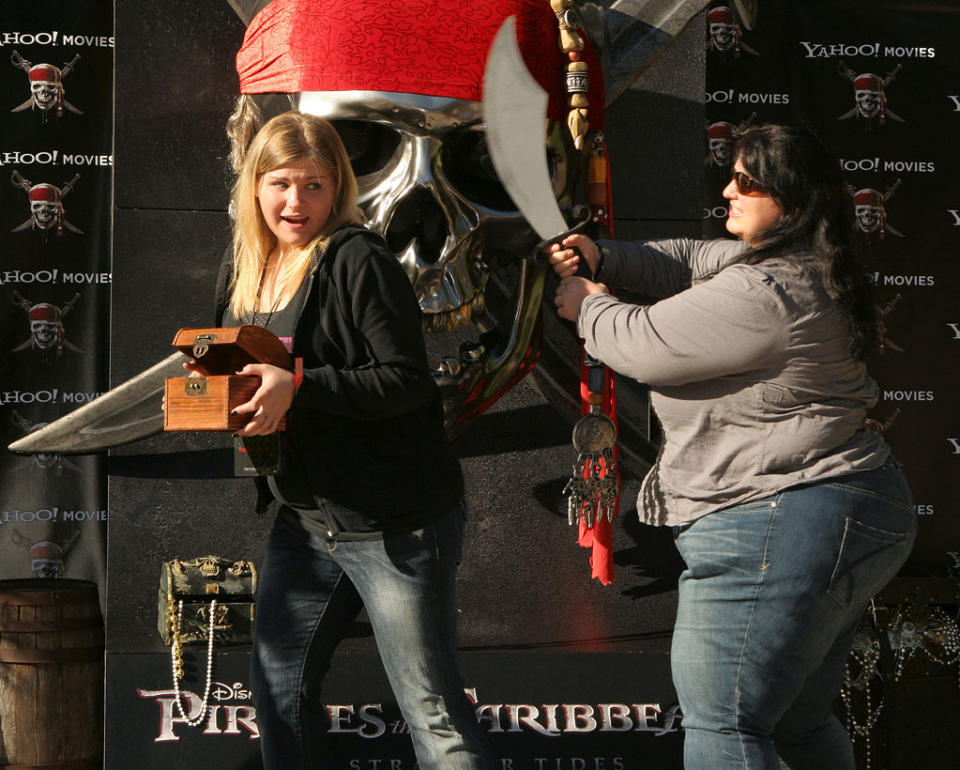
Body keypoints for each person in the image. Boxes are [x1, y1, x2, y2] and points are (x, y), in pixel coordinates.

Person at [548, 122, 916, 769]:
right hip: (841, 512)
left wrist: (588, 302)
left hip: (779, 520)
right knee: (798, 724)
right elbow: (690, 261)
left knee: (725, 726)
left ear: (792, 201)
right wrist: (606, 256)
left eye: (746, 181)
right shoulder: (793, 263)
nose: (728, 190)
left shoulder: (768, 291)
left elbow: (644, 344)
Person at [202, 109, 493, 769]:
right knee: (278, 694)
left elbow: (405, 381)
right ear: (255, 187)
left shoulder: (358, 258)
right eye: (280, 184)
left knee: (435, 717)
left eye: (312, 185)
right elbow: (230, 364)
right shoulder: (246, 263)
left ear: (337, 188)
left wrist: (297, 385)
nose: (294, 202)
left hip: (395, 521)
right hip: (307, 518)